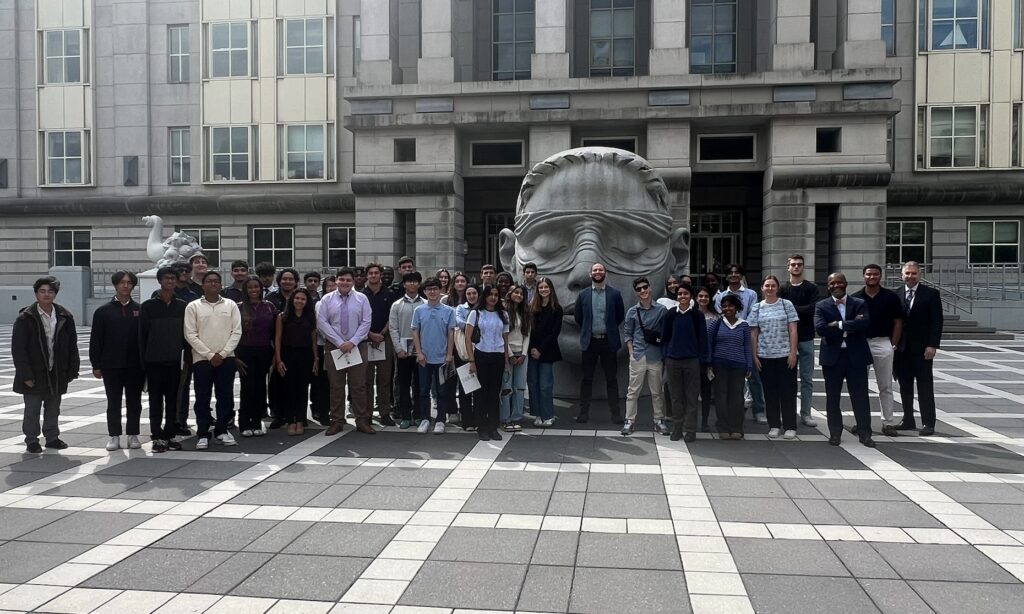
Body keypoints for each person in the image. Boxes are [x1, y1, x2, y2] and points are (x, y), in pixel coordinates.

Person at [12, 277, 79, 453]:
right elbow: (18, 350)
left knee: (53, 407)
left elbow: (72, 344)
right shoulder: (25, 318)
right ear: (36, 294)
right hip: (34, 372)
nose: (46, 294)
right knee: (32, 409)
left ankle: (52, 437)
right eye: (42, 291)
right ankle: (32, 440)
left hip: (56, 370)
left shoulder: (64, 316)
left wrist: (72, 369)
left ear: (55, 294)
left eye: (50, 291)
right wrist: (25, 375)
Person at [815, 272, 876, 448]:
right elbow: (820, 329)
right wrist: (851, 325)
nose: (836, 286)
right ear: (828, 286)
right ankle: (835, 433)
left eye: (839, 282)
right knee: (832, 398)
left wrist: (838, 325)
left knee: (860, 396)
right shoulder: (822, 306)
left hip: (856, 356)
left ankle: (865, 433)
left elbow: (864, 324)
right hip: (833, 358)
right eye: (832, 283)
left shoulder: (859, 303)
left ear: (846, 283)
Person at [183, 271, 242, 449]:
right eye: (209, 281)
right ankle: (203, 433)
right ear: (203, 285)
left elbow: (237, 331)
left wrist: (223, 353)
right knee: (203, 397)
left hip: (227, 358)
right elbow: (190, 334)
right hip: (202, 359)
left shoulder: (230, 305)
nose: (213, 284)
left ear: (221, 285)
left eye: (216, 281)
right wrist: (209, 354)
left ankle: (222, 430)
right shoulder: (193, 306)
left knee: (225, 396)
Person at [90, 270, 144, 451]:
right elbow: (96, 340)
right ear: (115, 285)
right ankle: (114, 435)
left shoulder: (140, 310)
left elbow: (144, 339)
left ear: (133, 286)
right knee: (113, 402)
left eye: (129, 282)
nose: (125, 285)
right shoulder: (103, 312)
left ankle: (133, 434)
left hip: (135, 365)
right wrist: (96, 365)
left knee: (134, 402)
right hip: (111, 365)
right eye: (122, 282)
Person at [317, 267, 374, 435]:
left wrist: (353, 341)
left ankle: (362, 421)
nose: (345, 283)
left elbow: (366, 322)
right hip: (334, 347)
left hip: (357, 346)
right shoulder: (326, 300)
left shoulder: (362, 299)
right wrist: (340, 342)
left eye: (348, 280)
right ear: (336, 281)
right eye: (342, 279)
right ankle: (337, 421)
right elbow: (322, 323)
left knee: (359, 386)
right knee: (336, 386)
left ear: (353, 281)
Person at [852, 264, 904, 437]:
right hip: (861, 343)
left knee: (886, 386)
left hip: (883, 343)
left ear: (880, 276)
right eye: (868, 274)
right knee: (859, 385)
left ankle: (888, 423)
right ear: (863, 276)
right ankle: (861, 422)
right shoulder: (856, 298)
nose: (872, 277)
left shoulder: (890, 297)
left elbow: (898, 322)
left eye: (875, 274)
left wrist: (893, 345)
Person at [139, 267, 187, 453]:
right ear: (159, 281)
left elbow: (186, 334)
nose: (170, 281)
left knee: (174, 400)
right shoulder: (148, 306)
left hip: (176, 362)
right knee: (155, 401)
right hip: (154, 362)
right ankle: (157, 436)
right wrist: (143, 361)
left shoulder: (182, 305)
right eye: (166, 278)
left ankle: (170, 434)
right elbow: (142, 336)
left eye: (173, 278)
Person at [894, 261, 943, 436]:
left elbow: (937, 322)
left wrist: (932, 345)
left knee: (925, 387)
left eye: (914, 273)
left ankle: (928, 422)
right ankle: (908, 419)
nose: (910, 276)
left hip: (923, 349)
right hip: (901, 350)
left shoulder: (931, 294)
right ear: (902, 275)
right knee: (904, 387)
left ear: (920, 275)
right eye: (907, 273)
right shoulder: (896, 294)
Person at [574, 262, 626, 424]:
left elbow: (619, 316)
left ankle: (616, 414)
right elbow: (579, 317)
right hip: (589, 342)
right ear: (591, 274)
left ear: (605, 273)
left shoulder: (615, 294)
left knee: (611, 379)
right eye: (595, 270)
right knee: (586, 379)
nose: (598, 272)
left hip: (608, 342)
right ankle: (583, 413)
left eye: (600, 270)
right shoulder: (583, 295)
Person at [749, 275, 799, 439]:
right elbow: (754, 333)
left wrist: (793, 352)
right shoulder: (757, 307)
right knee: (770, 392)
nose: (770, 289)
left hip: (785, 355)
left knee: (787, 391)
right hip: (765, 355)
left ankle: (790, 425)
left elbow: (793, 330)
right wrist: (754, 355)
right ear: (762, 288)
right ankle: (774, 425)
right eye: (767, 286)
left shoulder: (786, 305)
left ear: (777, 288)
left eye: (773, 286)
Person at [715, 264, 764, 424]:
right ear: (727, 276)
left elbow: (752, 314)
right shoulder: (720, 296)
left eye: (737, 273)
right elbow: (719, 315)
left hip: (747, 335)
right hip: (727, 339)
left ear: (742, 276)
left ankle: (758, 409)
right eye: (731, 273)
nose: (734, 275)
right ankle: (729, 414)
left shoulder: (751, 294)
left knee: (753, 376)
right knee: (730, 381)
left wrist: (740, 327)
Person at [662, 284, 709, 442]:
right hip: (673, 361)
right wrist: (666, 356)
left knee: (691, 397)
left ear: (691, 296)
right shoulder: (670, 315)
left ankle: (690, 430)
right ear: (677, 296)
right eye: (680, 293)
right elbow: (665, 337)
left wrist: (703, 360)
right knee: (676, 397)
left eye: (686, 293)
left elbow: (703, 339)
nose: (682, 296)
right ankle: (677, 428)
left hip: (692, 361)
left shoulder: (697, 316)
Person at [411, 277, 457, 434]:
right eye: (429, 289)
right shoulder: (419, 310)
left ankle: (440, 419)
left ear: (440, 290)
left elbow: (451, 333)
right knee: (423, 390)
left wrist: (449, 354)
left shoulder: (449, 311)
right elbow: (415, 332)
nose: (432, 292)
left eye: (435, 288)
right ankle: (425, 419)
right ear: (424, 291)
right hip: (424, 357)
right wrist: (419, 352)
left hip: (442, 358)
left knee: (442, 391)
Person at [622, 277, 668, 436]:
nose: (643, 291)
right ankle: (629, 421)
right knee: (633, 391)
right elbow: (627, 333)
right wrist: (631, 351)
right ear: (636, 293)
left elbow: (666, 333)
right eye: (639, 289)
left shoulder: (662, 310)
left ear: (650, 288)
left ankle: (659, 420)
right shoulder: (632, 312)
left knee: (657, 391)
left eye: (645, 287)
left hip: (655, 355)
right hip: (638, 354)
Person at [465, 284, 510, 441]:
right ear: (484, 296)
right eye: (490, 294)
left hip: (497, 356)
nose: (493, 297)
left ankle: (493, 426)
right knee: (480, 393)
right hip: (481, 355)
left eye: (496, 295)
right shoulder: (476, 314)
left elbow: (505, 339)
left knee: (494, 393)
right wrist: (472, 360)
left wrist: (505, 362)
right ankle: (481, 426)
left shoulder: (503, 314)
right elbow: (467, 338)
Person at [780, 254, 820, 428]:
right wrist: (799, 310)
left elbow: (813, 310)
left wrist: (790, 308)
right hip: (785, 339)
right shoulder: (782, 289)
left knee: (807, 379)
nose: (796, 267)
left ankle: (806, 413)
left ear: (803, 267)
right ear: (788, 267)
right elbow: (780, 311)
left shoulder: (812, 288)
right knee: (786, 380)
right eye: (793, 265)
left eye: (799, 265)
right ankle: (786, 413)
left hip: (806, 338)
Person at [235, 277, 277, 437]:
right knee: (247, 387)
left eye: (256, 287)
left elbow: (275, 332)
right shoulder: (238, 308)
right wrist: (235, 357)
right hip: (244, 351)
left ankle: (257, 421)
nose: (254, 290)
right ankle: (244, 422)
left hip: (264, 351)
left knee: (260, 387)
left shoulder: (269, 307)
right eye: (250, 287)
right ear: (245, 290)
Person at [275, 288, 319, 435]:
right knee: (289, 389)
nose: (299, 301)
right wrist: (278, 359)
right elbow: (278, 339)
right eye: (297, 298)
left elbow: (313, 339)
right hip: (287, 354)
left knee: (302, 389)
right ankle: (290, 420)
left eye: (303, 299)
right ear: (292, 299)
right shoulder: (283, 316)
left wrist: (316, 359)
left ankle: (300, 420)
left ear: (307, 302)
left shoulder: (311, 317)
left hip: (306, 355)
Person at [709, 295, 752, 440]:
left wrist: (749, 365)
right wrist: (709, 363)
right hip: (720, 364)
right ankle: (723, 427)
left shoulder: (744, 325)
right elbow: (709, 343)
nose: (727, 308)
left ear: (737, 307)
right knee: (721, 396)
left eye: (731, 305)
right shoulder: (717, 323)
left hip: (739, 365)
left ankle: (736, 428)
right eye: (725, 306)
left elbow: (747, 345)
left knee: (737, 397)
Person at [389, 272, 425, 429]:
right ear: (404, 284)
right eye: (409, 281)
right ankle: (405, 415)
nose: (412, 284)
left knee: (419, 384)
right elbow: (393, 328)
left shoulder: (425, 304)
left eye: (415, 281)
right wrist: (398, 348)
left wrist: (423, 350)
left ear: (419, 284)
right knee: (403, 385)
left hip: (420, 351)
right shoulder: (397, 305)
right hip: (403, 351)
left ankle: (418, 415)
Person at [363, 263, 396, 427]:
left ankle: (384, 413)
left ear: (380, 275)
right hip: (365, 339)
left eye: (376, 273)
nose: (374, 275)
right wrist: (370, 335)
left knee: (384, 379)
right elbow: (358, 318)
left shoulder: (390, 293)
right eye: (371, 273)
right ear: (367, 275)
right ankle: (367, 414)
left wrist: (381, 334)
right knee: (366, 380)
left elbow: (393, 316)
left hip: (385, 339)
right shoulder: (360, 295)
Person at [527, 277, 562, 427]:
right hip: (532, 351)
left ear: (551, 289)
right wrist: (532, 349)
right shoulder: (532, 308)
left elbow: (554, 333)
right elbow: (528, 331)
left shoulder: (557, 309)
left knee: (545, 385)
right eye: (540, 287)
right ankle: (538, 414)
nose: (543, 290)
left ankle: (548, 414)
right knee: (533, 383)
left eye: (546, 287)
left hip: (547, 352)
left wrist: (540, 349)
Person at [500, 284, 531, 431]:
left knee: (519, 387)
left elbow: (527, 335)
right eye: (516, 292)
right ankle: (505, 418)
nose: (519, 295)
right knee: (506, 388)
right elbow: (502, 335)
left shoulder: (525, 312)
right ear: (510, 294)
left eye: (521, 294)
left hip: (522, 355)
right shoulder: (503, 312)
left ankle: (517, 417)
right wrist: (510, 355)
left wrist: (524, 354)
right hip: (507, 354)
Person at [310, 275, 337, 426]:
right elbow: (320, 326)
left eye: (335, 285)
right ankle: (322, 411)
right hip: (324, 346)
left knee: (336, 382)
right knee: (322, 382)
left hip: (342, 347)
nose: (332, 288)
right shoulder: (321, 304)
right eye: (329, 286)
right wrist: (336, 339)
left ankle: (335, 412)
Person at [453, 284, 479, 429]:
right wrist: (475, 328)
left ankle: (478, 418)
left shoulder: (483, 307)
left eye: (474, 293)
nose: (471, 296)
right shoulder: (460, 309)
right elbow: (460, 323)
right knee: (466, 387)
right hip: (463, 353)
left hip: (481, 351)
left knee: (479, 388)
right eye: (468, 294)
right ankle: (467, 420)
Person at [696, 286, 721, 432]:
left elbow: (717, 339)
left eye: (706, 296)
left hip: (709, 360)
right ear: (696, 298)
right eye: (700, 296)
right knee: (691, 394)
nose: (703, 299)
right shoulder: (691, 314)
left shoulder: (716, 317)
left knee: (706, 393)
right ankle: (690, 421)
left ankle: (705, 422)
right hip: (693, 359)